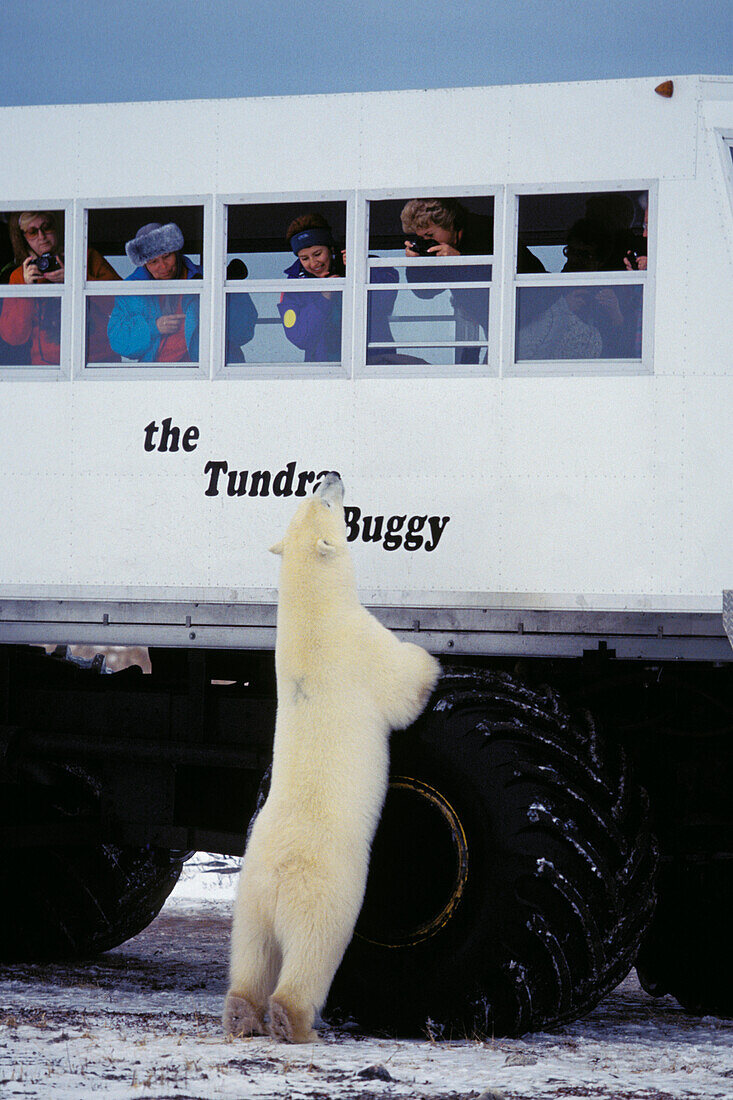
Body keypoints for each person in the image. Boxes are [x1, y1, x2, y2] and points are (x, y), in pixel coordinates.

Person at [401, 198, 545, 363]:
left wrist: (461, 260)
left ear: (450, 223)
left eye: (430, 235)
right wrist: (415, 263)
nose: (427, 241)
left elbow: (508, 276)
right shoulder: (439, 248)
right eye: (421, 237)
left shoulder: (489, 230)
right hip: (498, 328)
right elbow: (424, 292)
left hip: (535, 316)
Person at [0, 210, 119, 365]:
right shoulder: (21, 275)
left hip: (99, 361)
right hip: (46, 368)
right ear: (23, 238)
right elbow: (14, 337)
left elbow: (121, 305)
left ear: (57, 227)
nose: (41, 237)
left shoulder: (86, 258)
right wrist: (26, 290)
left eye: (46, 227)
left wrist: (78, 280)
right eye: (32, 232)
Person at [277, 213, 397, 363]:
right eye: (304, 258)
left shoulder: (362, 264)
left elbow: (385, 303)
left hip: (375, 362)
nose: (313, 263)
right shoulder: (293, 286)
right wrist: (324, 296)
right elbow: (300, 338)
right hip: (324, 370)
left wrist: (359, 270)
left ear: (331, 249)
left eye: (317, 254)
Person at [517, 219, 633, 360]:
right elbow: (520, 342)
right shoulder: (545, 290)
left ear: (600, 260)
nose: (576, 260)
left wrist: (616, 315)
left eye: (585, 255)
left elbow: (624, 353)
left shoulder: (610, 298)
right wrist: (561, 308)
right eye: (572, 252)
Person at [108, 222, 203, 362]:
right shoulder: (131, 290)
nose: (163, 266)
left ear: (176, 252)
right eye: (153, 262)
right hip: (156, 374)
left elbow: (243, 331)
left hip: (205, 372)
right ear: (144, 264)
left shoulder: (205, 278)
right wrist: (154, 327)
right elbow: (118, 341)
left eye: (167, 256)